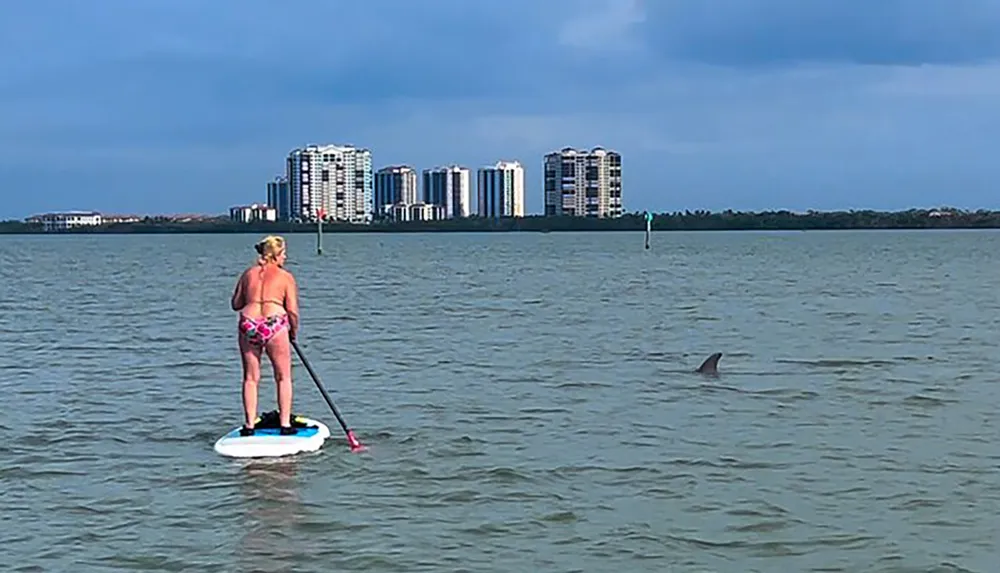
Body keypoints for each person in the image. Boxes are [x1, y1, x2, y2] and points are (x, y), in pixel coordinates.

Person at [230, 235, 300, 436]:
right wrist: (293, 331)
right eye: (284, 254)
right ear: (276, 255)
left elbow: (236, 304)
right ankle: (285, 424)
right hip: (274, 324)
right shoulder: (285, 277)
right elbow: (292, 310)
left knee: (250, 378)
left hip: (249, 323)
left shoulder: (248, 274)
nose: (285, 257)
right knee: (283, 376)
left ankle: (249, 425)